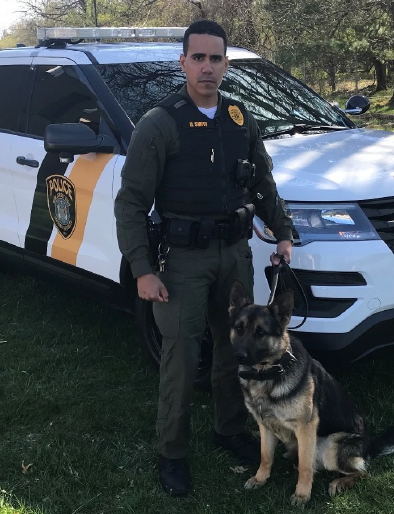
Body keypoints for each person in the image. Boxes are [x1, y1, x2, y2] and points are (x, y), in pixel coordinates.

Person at [114, 19, 294, 497]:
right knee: (180, 353)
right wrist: (142, 269)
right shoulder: (160, 123)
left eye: (216, 59)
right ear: (183, 63)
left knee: (234, 349)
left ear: (226, 64)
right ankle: (171, 453)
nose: (208, 68)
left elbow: (262, 183)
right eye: (199, 58)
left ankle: (229, 430)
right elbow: (130, 203)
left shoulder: (240, 118)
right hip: (183, 260)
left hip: (234, 254)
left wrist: (283, 232)